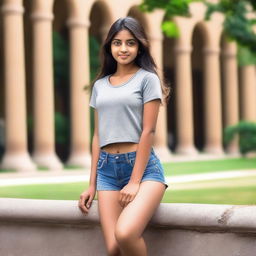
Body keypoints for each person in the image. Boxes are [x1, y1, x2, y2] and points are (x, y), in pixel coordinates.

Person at [78, 16, 171, 256]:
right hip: (107, 170)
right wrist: (91, 185)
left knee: (126, 233)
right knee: (113, 249)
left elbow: (148, 131)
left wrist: (135, 181)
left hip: (143, 169)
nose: (123, 48)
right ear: (109, 46)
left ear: (139, 46)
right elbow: (98, 135)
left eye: (130, 43)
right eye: (117, 43)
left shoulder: (147, 79)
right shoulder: (100, 85)